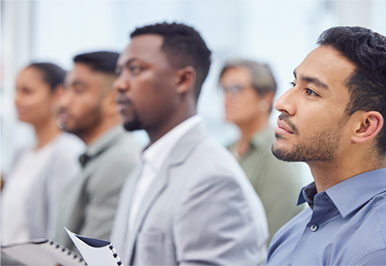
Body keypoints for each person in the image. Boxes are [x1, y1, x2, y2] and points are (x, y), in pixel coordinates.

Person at [111, 22, 268, 265]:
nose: (119, 84)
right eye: (119, 72)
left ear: (183, 80)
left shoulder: (212, 178)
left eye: (135, 69)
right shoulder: (143, 166)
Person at [267, 26, 386, 265]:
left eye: (310, 92)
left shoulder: (380, 249)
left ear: (364, 126)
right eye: (293, 83)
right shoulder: (292, 231)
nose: (282, 103)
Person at [52, 51, 141, 250]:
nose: (63, 102)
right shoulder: (97, 158)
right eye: (67, 89)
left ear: (113, 102)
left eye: (78, 90)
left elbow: (89, 259)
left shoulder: (119, 161)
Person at [219, 59, 303, 243]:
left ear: (266, 97)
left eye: (236, 89)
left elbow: (276, 234)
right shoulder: (225, 151)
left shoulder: (279, 152)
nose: (227, 98)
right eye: (224, 89)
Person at [1, 63, 83, 245]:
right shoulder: (21, 152)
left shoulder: (67, 153)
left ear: (58, 94)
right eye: (16, 91)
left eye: (27, 91)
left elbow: (59, 234)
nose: (17, 99)